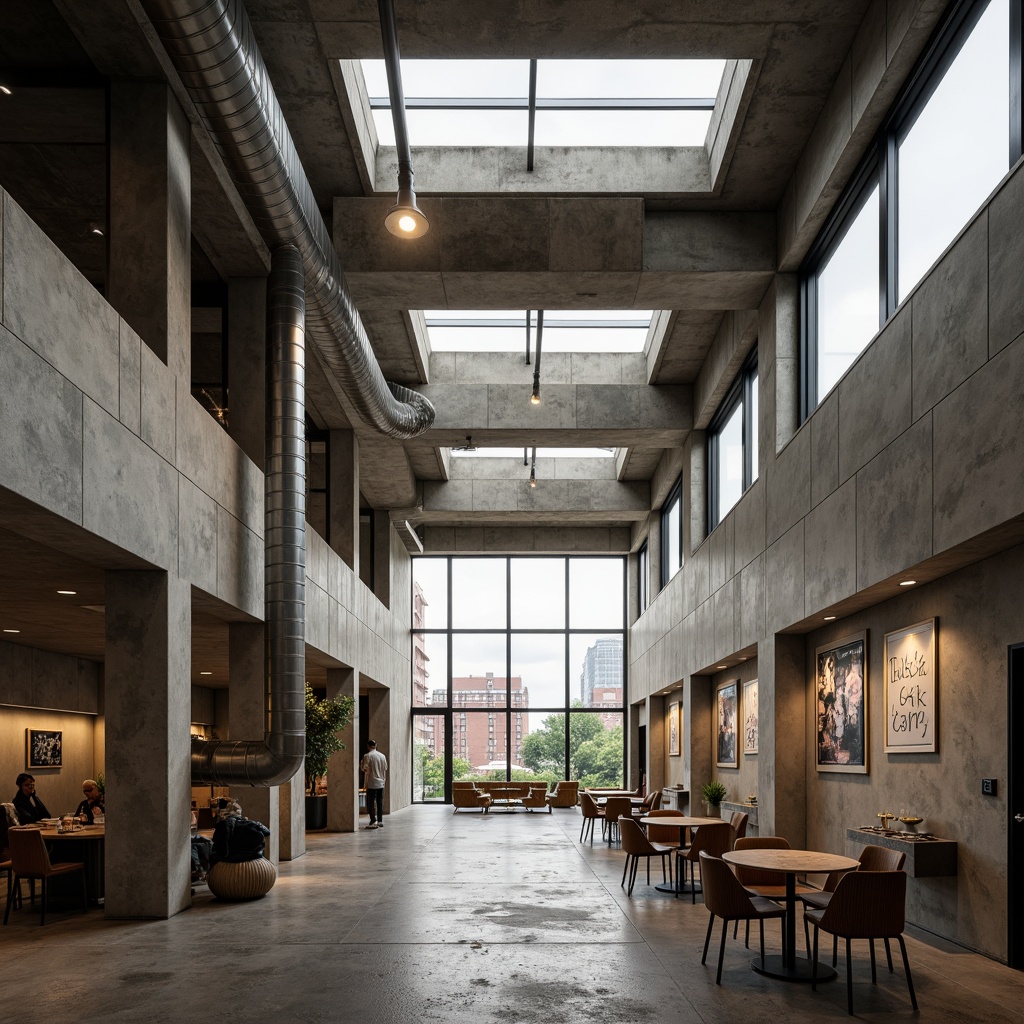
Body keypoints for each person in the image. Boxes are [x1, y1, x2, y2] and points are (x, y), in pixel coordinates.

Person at [360, 740, 387, 829]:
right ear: (376, 745)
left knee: (371, 802)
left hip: (372, 782)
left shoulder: (367, 756)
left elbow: (364, 768)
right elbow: (385, 768)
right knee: (379, 802)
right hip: (381, 782)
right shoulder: (382, 756)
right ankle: (380, 821)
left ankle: (372, 820)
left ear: (368, 746)